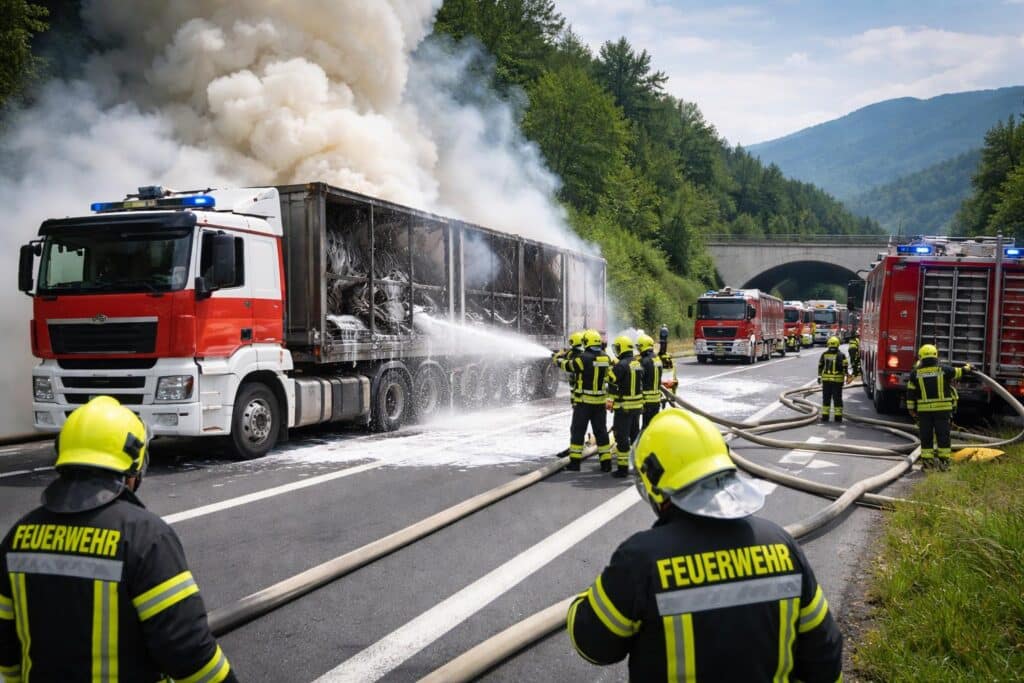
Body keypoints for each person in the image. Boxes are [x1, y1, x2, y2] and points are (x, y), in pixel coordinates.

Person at [567, 408, 843, 681]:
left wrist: (591, 597)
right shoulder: (783, 547)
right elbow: (825, 659)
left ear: (653, 479)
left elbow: (595, 646)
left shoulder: (641, 560)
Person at [0, 397, 237, 683]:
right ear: (134, 466)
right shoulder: (146, 538)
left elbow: (6, 653)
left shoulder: (18, 537)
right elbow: (189, 652)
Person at [906, 344, 972, 471]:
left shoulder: (915, 374)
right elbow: (959, 372)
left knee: (926, 437)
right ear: (935, 356)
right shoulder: (944, 370)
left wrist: (911, 410)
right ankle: (944, 464)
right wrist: (968, 367)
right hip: (943, 411)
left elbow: (910, 393)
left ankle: (928, 464)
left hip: (924, 412)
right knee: (943, 436)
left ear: (921, 357)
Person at [566, 330, 613, 471]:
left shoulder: (583, 358)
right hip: (599, 404)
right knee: (601, 433)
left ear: (586, 342)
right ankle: (606, 464)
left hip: (584, 404)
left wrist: (557, 359)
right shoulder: (606, 358)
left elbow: (569, 366)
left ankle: (574, 464)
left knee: (578, 431)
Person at [606, 335, 645, 478]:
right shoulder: (637, 363)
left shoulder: (621, 365)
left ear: (622, 348)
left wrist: (609, 368)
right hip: (637, 408)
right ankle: (637, 466)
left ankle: (622, 469)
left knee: (621, 438)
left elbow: (611, 379)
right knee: (634, 437)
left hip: (624, 409)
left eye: (617, 348)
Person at [817, 336, 850, 423]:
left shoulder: (824, 354)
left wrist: (819, 377)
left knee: (826, 398)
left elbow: (820, 366)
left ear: (828, 344)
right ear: (838, 344)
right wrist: (847, 376)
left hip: (826, 380)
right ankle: (838, 417)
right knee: (837, 399)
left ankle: (825, 417)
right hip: (838, 381)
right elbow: (845, 367)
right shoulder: (842, 355)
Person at [636, 334, 665, 431]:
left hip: (646, 400)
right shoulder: (657, 359)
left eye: (640, 347)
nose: (639, 350)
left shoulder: (643, 362)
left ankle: (642, 444)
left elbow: (637, 379)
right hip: (656, 400)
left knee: (645, 427)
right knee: (653, 426)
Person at [553, 330, 586, 406]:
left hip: (576, 381)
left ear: (574, 341)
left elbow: (564, 361)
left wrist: (556, 357)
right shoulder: (584, 352)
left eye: (571, 341)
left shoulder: (572, 353)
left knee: (575, 398)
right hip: (584, 385)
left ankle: (575, 405)